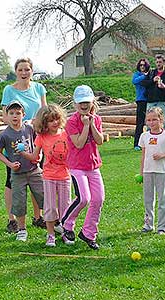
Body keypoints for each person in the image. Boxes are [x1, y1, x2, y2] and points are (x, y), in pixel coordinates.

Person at [0, 57, 47, 233]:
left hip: (36, 137)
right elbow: (5, 116)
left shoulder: (39, 88)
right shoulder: (9, 90)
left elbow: (44, 110)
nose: (24, 73)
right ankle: (12, 220)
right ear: (16, 71)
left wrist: (36, 122)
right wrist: (20, 123)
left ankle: (38, 216)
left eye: (27, 69)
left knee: (37, 176)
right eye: (20, 70)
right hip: (16, 136)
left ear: (32, 71)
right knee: (12, 178)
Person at [60, 85, 105, 250]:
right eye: (81, 103)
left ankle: (88, 233)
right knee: (83, 198)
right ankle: (66, 223)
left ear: (92, 101)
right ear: (75, 104)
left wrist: (91, 124)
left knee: (98, 199)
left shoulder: (97, 119)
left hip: (93, 165)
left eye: (87, 102)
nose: (84, 106)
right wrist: (85, 125)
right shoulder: (72, 122)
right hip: (77, 166)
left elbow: (99, 141)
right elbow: (78, 144)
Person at [19, 104, 71, 247]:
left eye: (57, 119)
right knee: (50, 207)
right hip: (48, 177)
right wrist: (23, 153)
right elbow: (35, 157)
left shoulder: (67, 134)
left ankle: (66, 233)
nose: (55, 122)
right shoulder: (42, 137)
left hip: (65, 176)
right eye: (50, 120)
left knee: (65, 207)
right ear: (44, 123)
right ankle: (50, 235)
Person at [0, 100, 44, 242]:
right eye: (11, 113)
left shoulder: (29, 129)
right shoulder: (4, 135)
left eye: (18, 113)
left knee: (44, 197)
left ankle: (52, 224)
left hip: (34, 170)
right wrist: (10, 164)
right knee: (19, 202)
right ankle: (22, 229)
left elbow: (37, 144)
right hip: (17, 175)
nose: (15, 116)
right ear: (6, 116)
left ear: (23, 114)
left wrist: (39, 155)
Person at [138, 107, 165, 235]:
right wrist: (141, 172)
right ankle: (148, 225)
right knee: (148, 199)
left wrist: (163, 155)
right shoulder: (144, 136)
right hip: (148, 171)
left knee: (162, 199)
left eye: (154, 119)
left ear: (161, 120)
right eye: (149, 120)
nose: (151, 122)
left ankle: (162, 227)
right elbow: (143, 155)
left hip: (162, 171)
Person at [142, 54, 165, 134]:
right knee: (149, 123)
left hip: (162, 101)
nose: (158, 64)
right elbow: (144, 83)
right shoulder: (151, 73)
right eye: (157, 62)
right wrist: (152, 80)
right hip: (151, 101)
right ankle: (149, 143)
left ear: (164, 63)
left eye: (160, 62)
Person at [132, 58, 151, 151]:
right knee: (139, 123)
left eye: (144, 65)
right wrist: (144, 76)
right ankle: (137, 144)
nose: (142, 67)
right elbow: (134, 81)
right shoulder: (137, 75)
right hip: (141, 100)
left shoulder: (149, 74)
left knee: (150, 122)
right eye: (140, 65)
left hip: (149, 100)